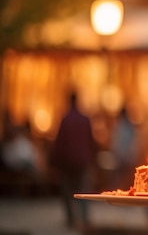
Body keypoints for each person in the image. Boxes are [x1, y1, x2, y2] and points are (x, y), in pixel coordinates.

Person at [51, 92, 97, 229]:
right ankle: (84, 218)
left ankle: (71, 219)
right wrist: (93, 157)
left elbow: (60, 141)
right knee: (84, 189)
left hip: (67, 160)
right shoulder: (85, 119)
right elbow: (91, 140)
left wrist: (55, 160)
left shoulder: (65, 120)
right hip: (83, 160)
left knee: (67, 190)